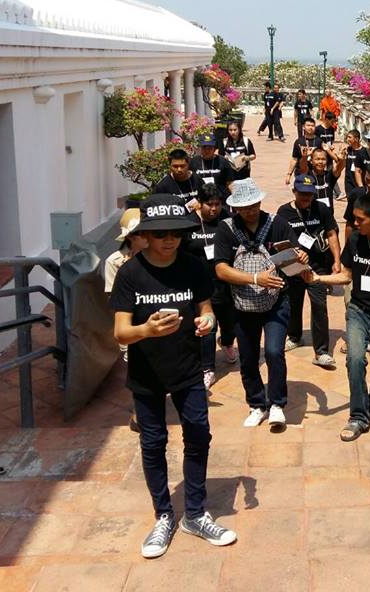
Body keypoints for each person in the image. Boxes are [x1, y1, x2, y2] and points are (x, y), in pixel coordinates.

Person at [110, 194, 236, 558]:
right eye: (161, 234)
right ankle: (163, 515)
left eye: (176, 234)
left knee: (198, 434)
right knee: (153, 443)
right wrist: (147, 330)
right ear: (146, 235)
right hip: (146, 373)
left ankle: (194, 513)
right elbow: (120, 332)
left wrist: (207, 322)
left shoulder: (193, 266)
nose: (169, 240)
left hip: (188, 368)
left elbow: (207, 309)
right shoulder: (130, 273)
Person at [306, 195, 370, 441]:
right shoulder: (355, 240)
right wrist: (318, 278)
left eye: (360, 219)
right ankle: (358, 416)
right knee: (354, 360)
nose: (354, 223)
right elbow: (347, 276)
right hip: (358, 311)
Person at [214, 178, 308, 431]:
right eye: (244, 207)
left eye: (254, 205)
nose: (250, 210)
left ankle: (277, 403)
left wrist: (300, 256)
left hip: (276, 300)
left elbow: (293, 258)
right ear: (235, 207)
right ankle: (256, 404)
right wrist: (256, 279)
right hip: (242, 304)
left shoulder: (278, 224)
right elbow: (221, 269)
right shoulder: (226, 229)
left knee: (275, 352)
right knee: (248, 357)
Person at [276, 174, 341, 367]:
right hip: (294, 268)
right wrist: (294, 253)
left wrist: (337, 260)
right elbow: (279, 241)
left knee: (319, 306)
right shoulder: (284, 212)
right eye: (302, 194)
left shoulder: (321, 209)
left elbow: (331, 233)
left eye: (310, 194)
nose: (306, 198)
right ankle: (294, 336)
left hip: (318, 268)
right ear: (294, 191)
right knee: (293, 304)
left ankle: (321, 351)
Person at [182, 184, 236, 381]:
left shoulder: (227, 219)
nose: (214, 209)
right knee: (208, 326)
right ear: (199, 203)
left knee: (230, 322)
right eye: (209, 204)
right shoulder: (188, 224)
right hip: (201, 284)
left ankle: (227, 342)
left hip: (226, 281)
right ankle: (208, 369)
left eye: (217, 204)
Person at [104, 208, 148, 433]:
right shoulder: (115, 262)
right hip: (131, 324)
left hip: (156, 319)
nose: (147, 237)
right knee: (136, 368)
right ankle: (139, 412)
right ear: (130, 237)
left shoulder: (157, 256)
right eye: (141, 233)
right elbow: (114, 298)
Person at [286, 118, 322, 184]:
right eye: (308, 125)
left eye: (312, 126)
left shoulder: (319, 141)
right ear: (303, 127)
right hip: (300, 172)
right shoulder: (298, 141)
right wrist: (289, 174)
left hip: (314, 173)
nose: (310, 127)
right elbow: (294, 159)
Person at [343, 129, 363, 196]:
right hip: (349, 182)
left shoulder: (364, 152)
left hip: (360, 182)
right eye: (347, 137)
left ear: (356, 139)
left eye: (350, 137)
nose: (347, 139)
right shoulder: (348, 150)